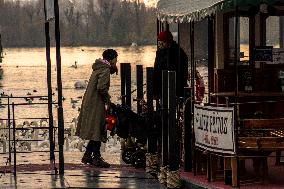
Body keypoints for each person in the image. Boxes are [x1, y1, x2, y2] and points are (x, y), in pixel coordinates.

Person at [75, 49, 118, 168]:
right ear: (112, 59)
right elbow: (101, 88)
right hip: (96, 103)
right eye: (116, 59)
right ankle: (96, 157)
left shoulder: (99, 68)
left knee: (96, 129)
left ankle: (88, 155)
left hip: (91, 101)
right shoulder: (104, 69)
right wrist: (107, 100)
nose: (117, 61)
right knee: (99, 128)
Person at [153, 30, 188, 100]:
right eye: (159, 42)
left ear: (167, 42)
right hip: (162, 87)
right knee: (164, 106)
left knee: (172, 105)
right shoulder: (159, 52)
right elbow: (156, 71)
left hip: (175, 87)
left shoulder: (178, 53)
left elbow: (182, 72)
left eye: (162, 42)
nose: (160, 44)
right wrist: (155, 91)